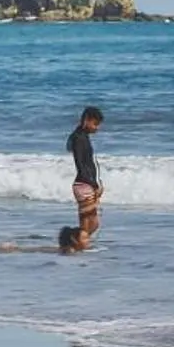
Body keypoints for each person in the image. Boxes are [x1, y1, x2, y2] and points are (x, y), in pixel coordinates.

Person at [68, 106, 105, 249]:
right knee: (88, 224)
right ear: (86, 120)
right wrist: (93, 184)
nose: (97, 128)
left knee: (93, 224)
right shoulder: (78, 138)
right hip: (83, 185)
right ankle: (76, 244)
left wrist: (96, 183)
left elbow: (90, 164)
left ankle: (75, 244)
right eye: (95, 124)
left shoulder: (83, 137)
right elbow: (81, 165)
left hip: (86, 184)